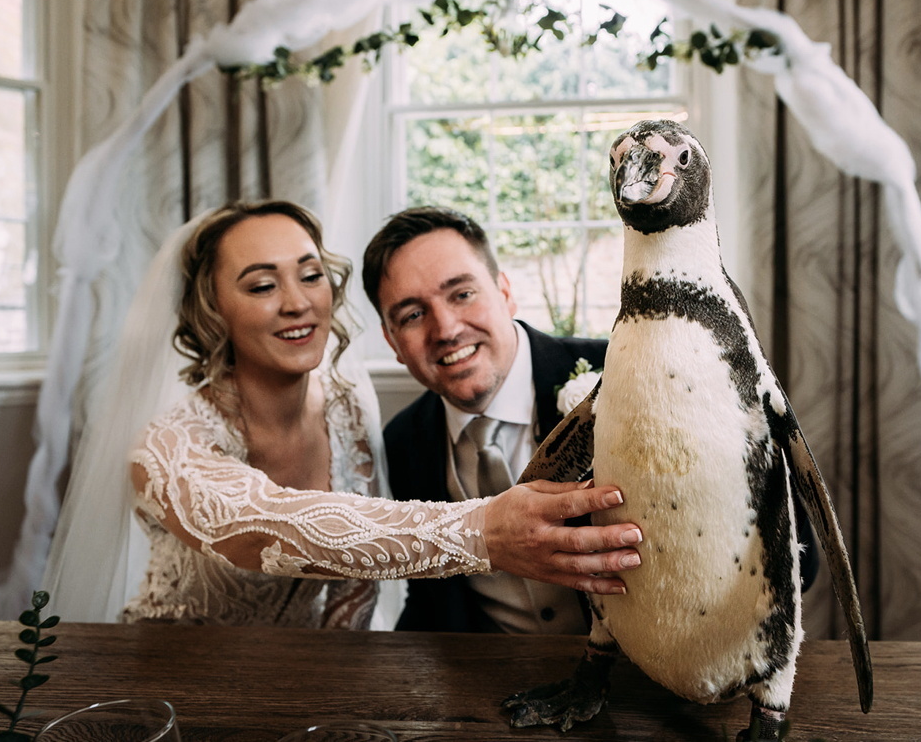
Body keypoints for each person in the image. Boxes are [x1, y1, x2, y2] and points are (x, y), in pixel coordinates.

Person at [41, 200, 642, 628]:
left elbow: (355, 599)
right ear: (214, 311)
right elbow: (268, 529)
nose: (298, 301)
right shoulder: (167, 451)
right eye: (260, 286)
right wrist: (483, 532)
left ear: (505, 290)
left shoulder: (350, 410)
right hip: (188, 682)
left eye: (310, 275)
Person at [362, 207, 615, 635]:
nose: (445, 329)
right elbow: (429, 600)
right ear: (392, 342)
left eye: (462, 294)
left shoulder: (614, 375)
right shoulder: (404, 440)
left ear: (504, 291)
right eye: (412, 315)